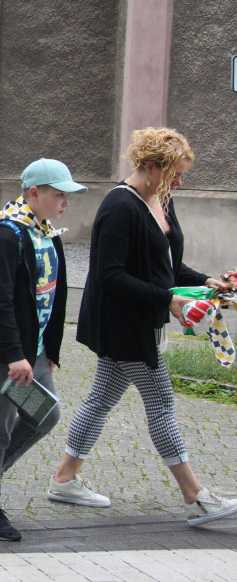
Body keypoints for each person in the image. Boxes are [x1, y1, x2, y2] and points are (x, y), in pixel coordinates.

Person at [47, 128, 237, 528]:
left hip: (139, 321)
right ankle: (196, 495)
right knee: (162, 403)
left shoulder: (161, 198)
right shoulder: (120, 207)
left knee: (101, 399)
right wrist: (168, 299)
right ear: (149, 167)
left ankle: (64, 478)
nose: (181, 182)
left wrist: (206, 281)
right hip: (122, 324)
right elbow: (110, 275)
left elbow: (165, 264)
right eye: (176, 174)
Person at [0, 158, 84, 542]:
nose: (65, 203)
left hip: (35, 351)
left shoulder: (48, 234)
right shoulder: (5, 236)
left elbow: (53, 298)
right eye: (59, 195)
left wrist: (50, 350)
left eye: (67, 196)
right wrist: (14, 355)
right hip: (5, 353)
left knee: (45, 416)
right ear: (34, 193)